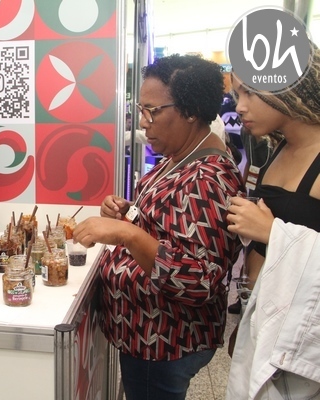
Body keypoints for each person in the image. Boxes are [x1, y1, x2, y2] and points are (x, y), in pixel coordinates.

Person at [73, 54, 244, 400]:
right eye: (142, 109)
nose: (143, 122)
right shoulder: (178, 158)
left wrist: (127, 234)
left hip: (164, 341)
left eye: (152, 111)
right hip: (145, 334)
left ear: (190, 111)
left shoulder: (208, 179)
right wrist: (128, 214)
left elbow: (199, 281)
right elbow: (168, 228)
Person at [226, 44, 320, 399]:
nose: (239, 106)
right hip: (265, 320)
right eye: (237, 94)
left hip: (303, 347)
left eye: (249, 92)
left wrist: (272, 232)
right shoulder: (279, 146)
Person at [227, 127, 282, 314]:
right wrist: (243, 189)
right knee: (249, 245)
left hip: (270, 198)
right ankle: (243, 295)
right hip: (255, 189)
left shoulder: (277, 137)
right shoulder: (247, 131)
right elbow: (251, 163)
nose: (241, 112)